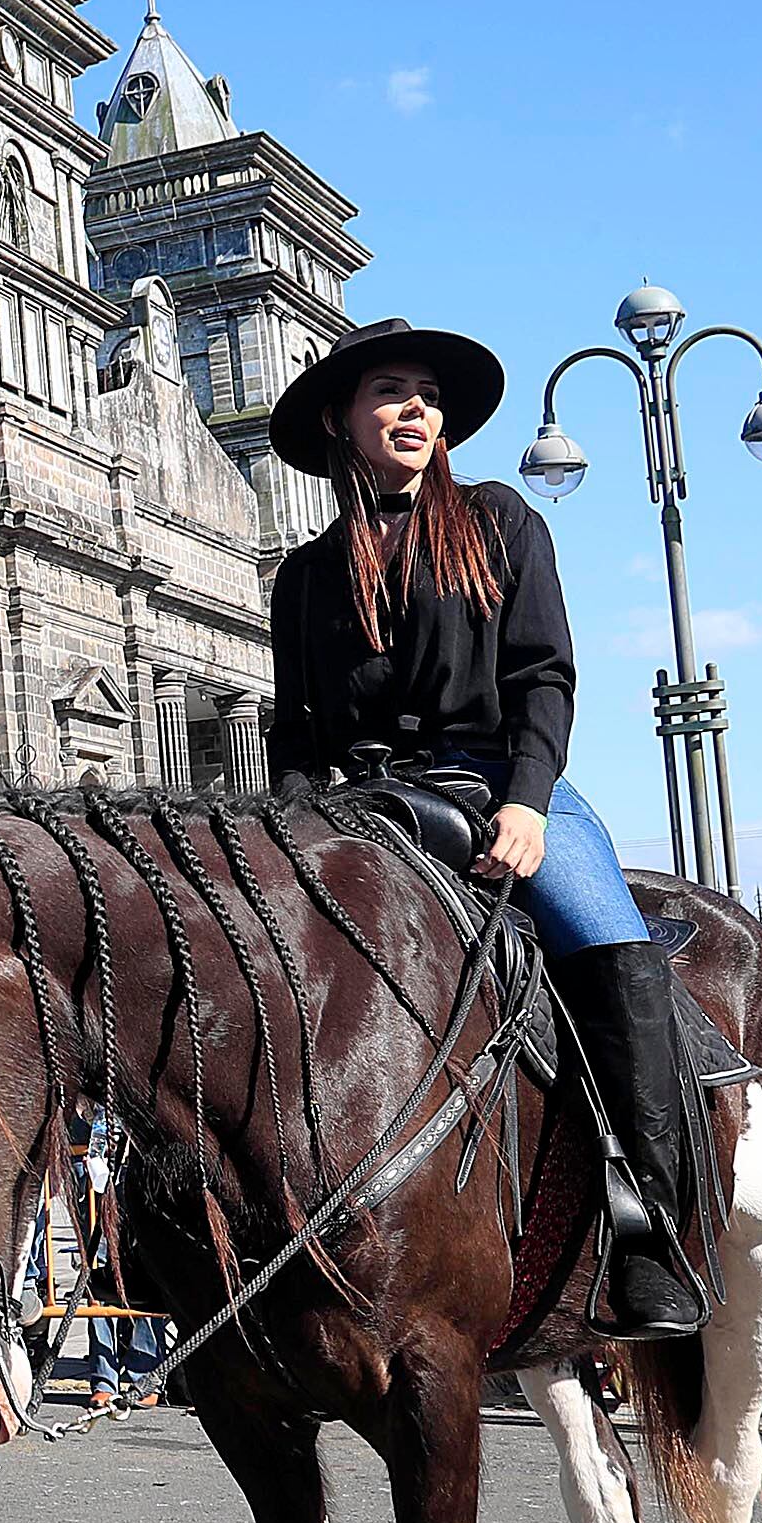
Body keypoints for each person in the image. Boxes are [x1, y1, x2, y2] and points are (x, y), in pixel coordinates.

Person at [258, 318, 700, 1338]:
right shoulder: (305, 574)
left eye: (424, 394)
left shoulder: (500, 521)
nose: (412, 408)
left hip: (500, 781)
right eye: (387, 393)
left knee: (609, 940)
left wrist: (531, 804)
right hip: (360, 805)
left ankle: (650, 1229)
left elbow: (544, 674)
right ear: (341, 421)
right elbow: (291, 730)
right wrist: (277, 839)